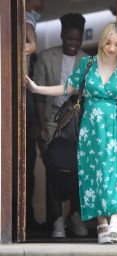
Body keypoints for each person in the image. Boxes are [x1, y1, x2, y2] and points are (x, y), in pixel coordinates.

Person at [27, 21, 117, 244]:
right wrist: (36, 88)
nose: (112, 48)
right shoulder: (88, 63)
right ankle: (102, 224)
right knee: (94, 174)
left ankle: (115, 221)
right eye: (109, 43)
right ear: (103, 41)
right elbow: (67, 88)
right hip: (91, 131)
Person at [33, 13, 88, 238]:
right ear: (62, 36)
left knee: (77, 168)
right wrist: (41, 124)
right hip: (50, 119)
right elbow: (37, 97)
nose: (73, 44)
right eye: (69, 39)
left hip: (76, 121)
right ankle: (56, 220)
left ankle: (74, 215)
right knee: (53, 169)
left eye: (77, 40)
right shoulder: (46, 57)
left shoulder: (87, 61)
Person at [25, 0, 44, 233]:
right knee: (27, 163)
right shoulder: (26, 17)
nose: (41, 11)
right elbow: (33, 45)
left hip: (28, 95)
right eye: (39, 6)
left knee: (28, 164)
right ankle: (26, 220)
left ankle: (27, 219)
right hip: (26, 96)